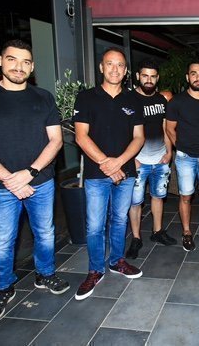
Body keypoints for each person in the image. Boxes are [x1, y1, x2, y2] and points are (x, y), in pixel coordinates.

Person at [0, 39, 69, 324]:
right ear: (0, 61)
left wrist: (29, 172)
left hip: (40, 181)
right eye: (12, 59)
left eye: (25, 62)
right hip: (0, 187)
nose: (19, 67)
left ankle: (45, 274)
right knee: (1, 242)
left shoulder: (43, 97)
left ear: (32, 67)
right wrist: (11, 180)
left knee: (45, 233)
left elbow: (56, 141)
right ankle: (2, 288)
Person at [73, 47, 145, 300]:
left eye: (120, 65)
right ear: (101, 67)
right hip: (96, 173)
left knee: (120, 220)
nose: (115, 69)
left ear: (126, 71)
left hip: (126, 173)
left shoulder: (133, 100)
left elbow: (139, 137)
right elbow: (81, 136)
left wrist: (119, 163)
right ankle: (95, 270)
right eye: (110, 64)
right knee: (95, 225)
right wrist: (106, 163)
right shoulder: (86, 98)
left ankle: (117, 261)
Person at [166, 61, 199, 251]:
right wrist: (181, 147)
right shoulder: (176, 102)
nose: (198, 77)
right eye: (194, 73)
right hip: (185, 158)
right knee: (186, 196)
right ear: (187, 77)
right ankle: (187, 232)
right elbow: (170, 129)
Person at [126, 60, 177, 259]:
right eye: (145, 76)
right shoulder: (128, 99)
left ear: (157, 78)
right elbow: (123, 131)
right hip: (138, 161)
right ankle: (136, 238)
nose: (149, 80)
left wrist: (169, 152)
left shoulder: (161, 101)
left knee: (158, 196)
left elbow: (165, 128)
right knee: (135, 202)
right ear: (138, 76)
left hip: (160, 159)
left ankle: (157, 231)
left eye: (153, 76)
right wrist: (131, 158)